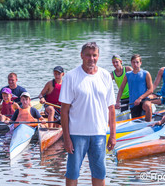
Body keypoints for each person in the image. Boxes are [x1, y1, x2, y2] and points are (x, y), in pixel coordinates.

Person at [59, 42, 116, 186]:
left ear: (98, 56)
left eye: (94, 55)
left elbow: (111, 109)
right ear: (81, 56)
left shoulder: (105, 76)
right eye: (88, 55)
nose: (91, 58)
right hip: (77, 134)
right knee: (72, 173)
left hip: (99, 133)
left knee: (99, 172)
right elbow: (64, 111)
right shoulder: (71, 76)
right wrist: (66, 138)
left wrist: (113, 135)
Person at [115, 54, 153, 122]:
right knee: (136, 121)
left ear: (140, 63)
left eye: (137, 62)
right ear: (131, 63)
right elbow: (121, 89)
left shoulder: (146, 74)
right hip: (133, 103)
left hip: (143, 100)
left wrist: (140, 98)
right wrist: (117, 102)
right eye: (133, 62)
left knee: (148, 105)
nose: (135, 64)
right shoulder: (128, 75)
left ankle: (148, 125)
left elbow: (151, 90)